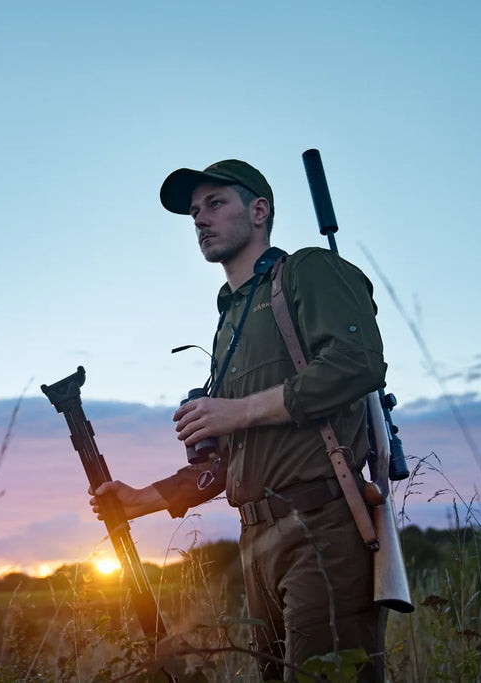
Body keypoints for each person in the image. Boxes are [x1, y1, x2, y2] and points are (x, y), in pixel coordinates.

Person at [90, 159, 388, 682]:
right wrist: (144, 499)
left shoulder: (307, 271)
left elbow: (356, 364)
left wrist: (235, 410)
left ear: (259, 210)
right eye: (194, 212)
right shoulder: (229, 319)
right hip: (257, 541)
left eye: (215, 203)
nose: (200, 219)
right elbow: (231, 458)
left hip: (322, 526)